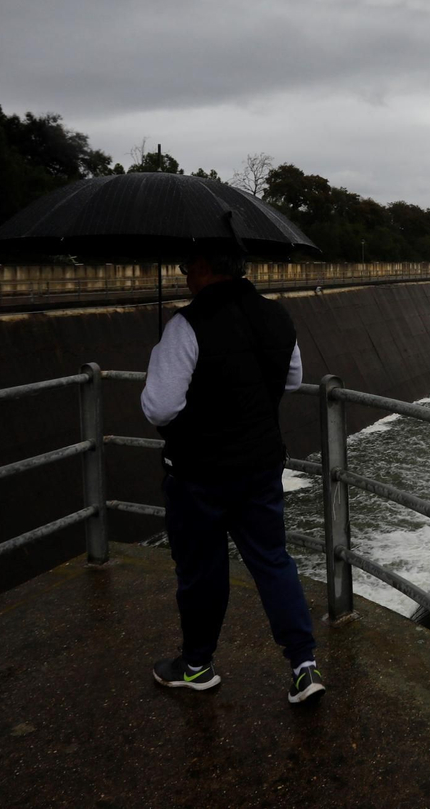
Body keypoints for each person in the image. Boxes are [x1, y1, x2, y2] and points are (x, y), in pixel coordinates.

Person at [141, 248, 325, 705]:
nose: (184, 278)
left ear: (204, 268)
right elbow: (293, 378)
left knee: (203, 571)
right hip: (261, 465)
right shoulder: (276, 316)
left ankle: (197, 666)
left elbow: (160, 407)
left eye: (186, 268)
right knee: (272, 560)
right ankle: (304, 666)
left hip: (198, 474)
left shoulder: (185, 325)